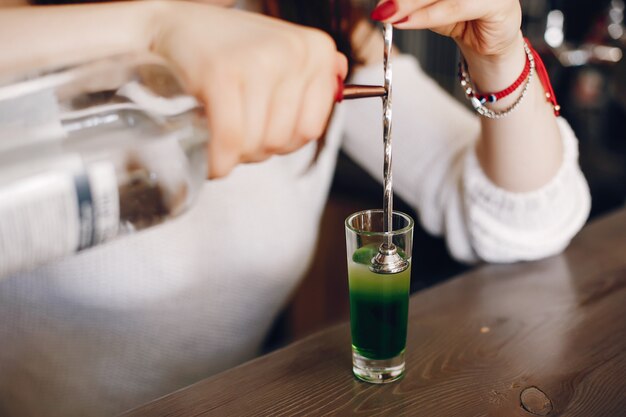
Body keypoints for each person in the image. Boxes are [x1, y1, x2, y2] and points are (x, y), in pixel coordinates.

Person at [0, 0, 590, 416]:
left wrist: (500, 52)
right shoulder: (36, 27)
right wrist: (151, 25)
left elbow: (526, 222)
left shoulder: (313, 28)